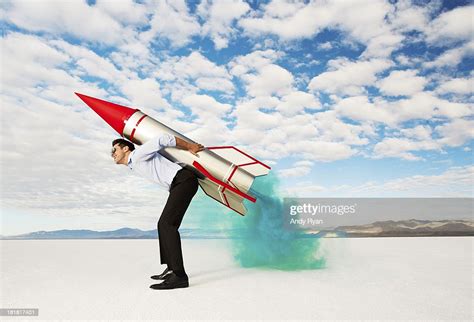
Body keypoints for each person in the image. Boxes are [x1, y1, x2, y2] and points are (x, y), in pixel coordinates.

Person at [111, 134, 204, 290]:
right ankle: (171, 268)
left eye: (114, 150)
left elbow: (163, 139)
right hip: (178, 184)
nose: (112, 154)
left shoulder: (138, 154)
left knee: (167, 224)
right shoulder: (135, 164)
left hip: (184, 181)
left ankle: (180, 276)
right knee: (163, 225)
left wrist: (190, 146)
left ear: (126, 148)